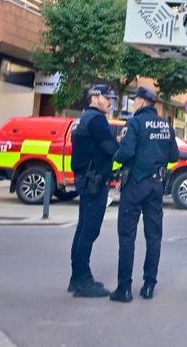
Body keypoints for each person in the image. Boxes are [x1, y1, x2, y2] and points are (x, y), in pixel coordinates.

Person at [109, 87, 180, 303]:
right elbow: (174, 156)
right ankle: (149, 285)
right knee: (154, 236)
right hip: (156, 186)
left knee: (127, 236)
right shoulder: (166, 126)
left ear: (140, 102)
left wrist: (115, 156)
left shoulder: (135, 124)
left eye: (135, 100)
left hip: (134, 185)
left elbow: (126, 153)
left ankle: (124, 289)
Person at [68, 84, 120, 298]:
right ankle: (82, 280)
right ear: (94, 97)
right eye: (107, 98)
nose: (110, 102)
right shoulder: (97, 120)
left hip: (85, 179)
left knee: (82, 229)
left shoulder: (82, 118)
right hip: (94, 181)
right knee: (89, 230)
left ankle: (76, 277)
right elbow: (111, 150)